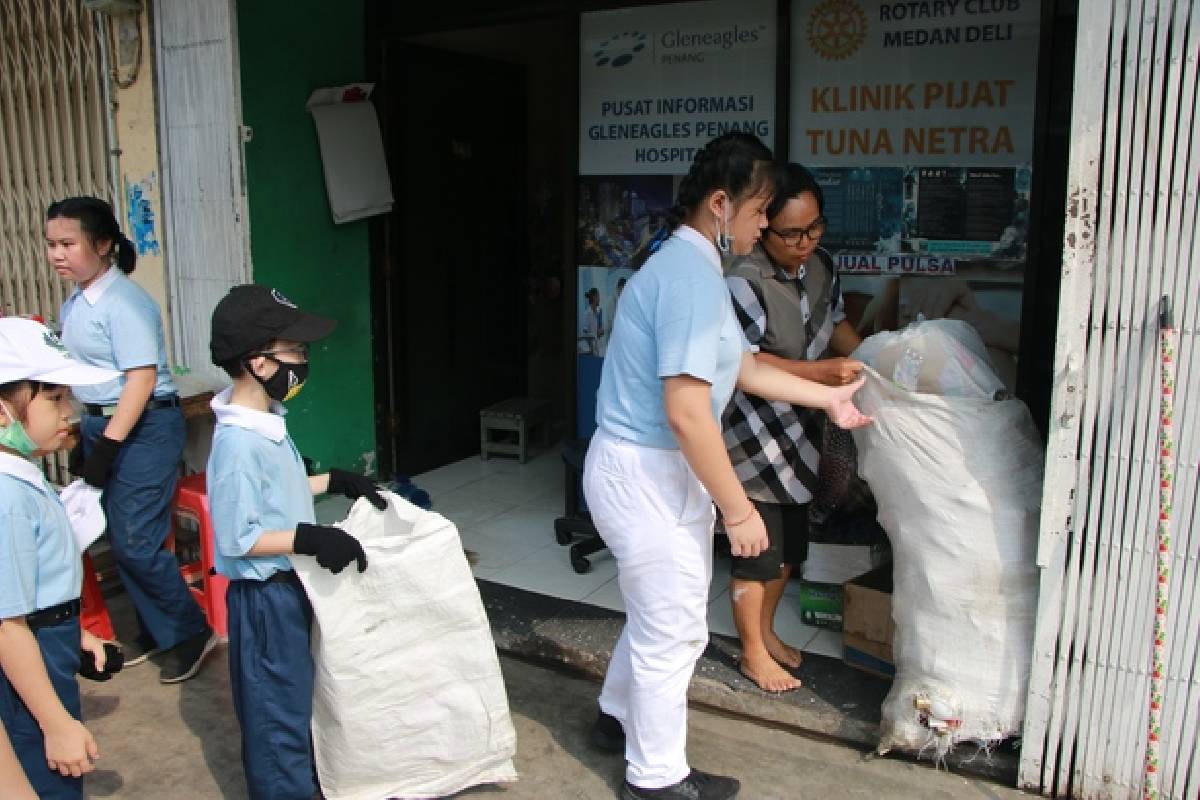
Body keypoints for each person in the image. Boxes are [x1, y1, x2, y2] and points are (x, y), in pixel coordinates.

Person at [582, 134, 871, 800]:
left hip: (657, 469)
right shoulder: (687, 278)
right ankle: (654, 781)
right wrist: (740, 511)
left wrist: (828, 397)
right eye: (760, 210)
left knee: (660, 616)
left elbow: (743, 366)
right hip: (645, 470)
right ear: (720, 204)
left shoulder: (696, 272)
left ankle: (615, 719)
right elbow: (687, 411)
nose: (766, 225)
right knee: (673, 631)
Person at [206, 284, 387, 798]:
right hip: (263, 600)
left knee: (296, 699)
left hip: (289, 589)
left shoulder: (266, 423)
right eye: (296, 352)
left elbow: (275, 493)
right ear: (260, 362)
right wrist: (310, 538)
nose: (304, 363)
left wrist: (331, 482)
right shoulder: (238, 444)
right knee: (275, 716)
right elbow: (240, 536)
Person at [48, 196, 216, 683]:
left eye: (67, 243)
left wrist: (109, 446)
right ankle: (157, 627)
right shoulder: (78, 300)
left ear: (102, 245)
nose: (57, 254)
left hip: (142, 427)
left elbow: (139, 382)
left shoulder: (124, 302)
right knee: (122, 538)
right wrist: (85, 431)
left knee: (137, 541)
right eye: (51, 244)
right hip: (106, 423)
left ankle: (189, 632)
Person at [722, 162, 864, 693]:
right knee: (757, 552)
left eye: (815, 229)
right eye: (790, 234)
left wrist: (878, 363)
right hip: (751, 434)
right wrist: (820, 374)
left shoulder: (821, 266)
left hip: (805, 427)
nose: (805, 243)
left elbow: (838, 326)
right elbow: (744, 365)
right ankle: (752, 654)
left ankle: (765, 633)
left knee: (788, 550)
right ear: (763, 226)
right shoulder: (744, 281)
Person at [0, 317, 121, 799]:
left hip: (48, 643)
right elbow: (7, 625)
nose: (68, 409)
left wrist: (76, 635)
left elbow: (31, 591)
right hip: (27, 665)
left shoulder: (22, 477)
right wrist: (56, 725)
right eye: (52, 398)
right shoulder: (7, 496)